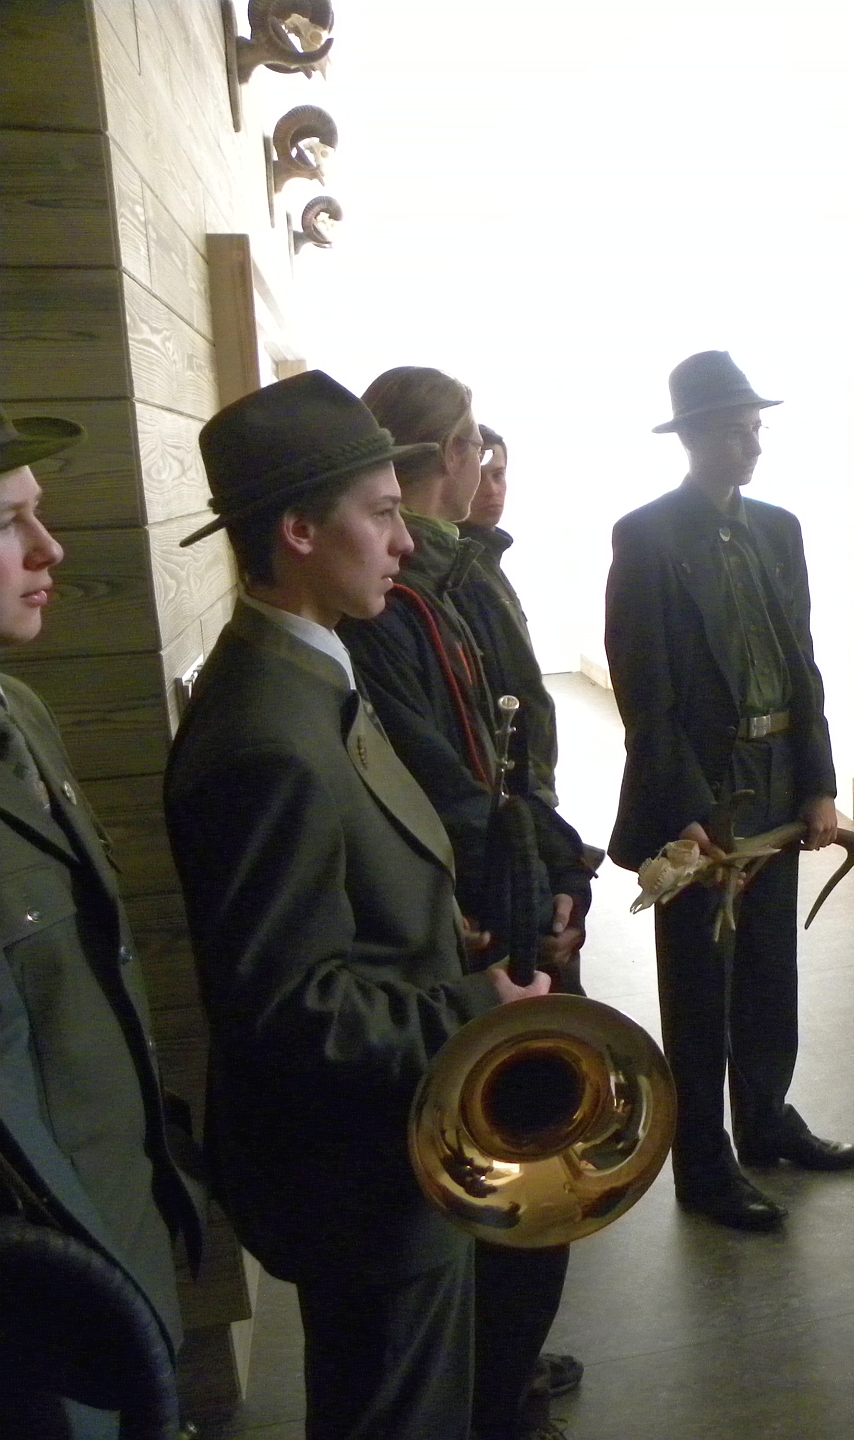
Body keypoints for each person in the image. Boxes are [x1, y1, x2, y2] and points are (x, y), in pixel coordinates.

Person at [165, 371, 551, 1440]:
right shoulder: (264, 734)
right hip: (360, 1173)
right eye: (380, 514)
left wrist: (444, 931)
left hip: (390, 1148)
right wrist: (474, 1004)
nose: (404, 539)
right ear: (297, 531)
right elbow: (291, 1006)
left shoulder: (305, 669)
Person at [340, 370, 589, 1438]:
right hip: (481, 924)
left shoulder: (451, 577)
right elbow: (450, 784)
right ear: (448, 453)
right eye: (475, 443)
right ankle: (498, 1395)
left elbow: (507, 751)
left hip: (510, 893)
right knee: (515, 1180)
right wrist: (535, 888)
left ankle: (507, 1369)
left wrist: (559, 865)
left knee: (533, 1189)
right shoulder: (400, 605)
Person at [605, 350, 854, 1233]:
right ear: (692, 438)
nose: (752, 445)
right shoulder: (647, 538)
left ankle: (765, 1121)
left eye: (756, 428)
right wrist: (686, 812)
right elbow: (646, 697)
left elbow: (803, 664)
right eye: (734, 431)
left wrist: (819, 782)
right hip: (701, 796)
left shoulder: (779, 531)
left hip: (777, 778)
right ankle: (704, 1166)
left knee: (767, 970)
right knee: (699, 991)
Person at [0, 408, 200, 1438]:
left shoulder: (21, 713)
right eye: (10, 522)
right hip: (40, 1310)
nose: (51, 549)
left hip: (124, 1233)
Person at [457, 425, 562, 809]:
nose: (491, 490)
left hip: (530, 776)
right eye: (480, 476)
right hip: (508, 781)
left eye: (499, 475)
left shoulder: (485, 560)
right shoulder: (456, 571)